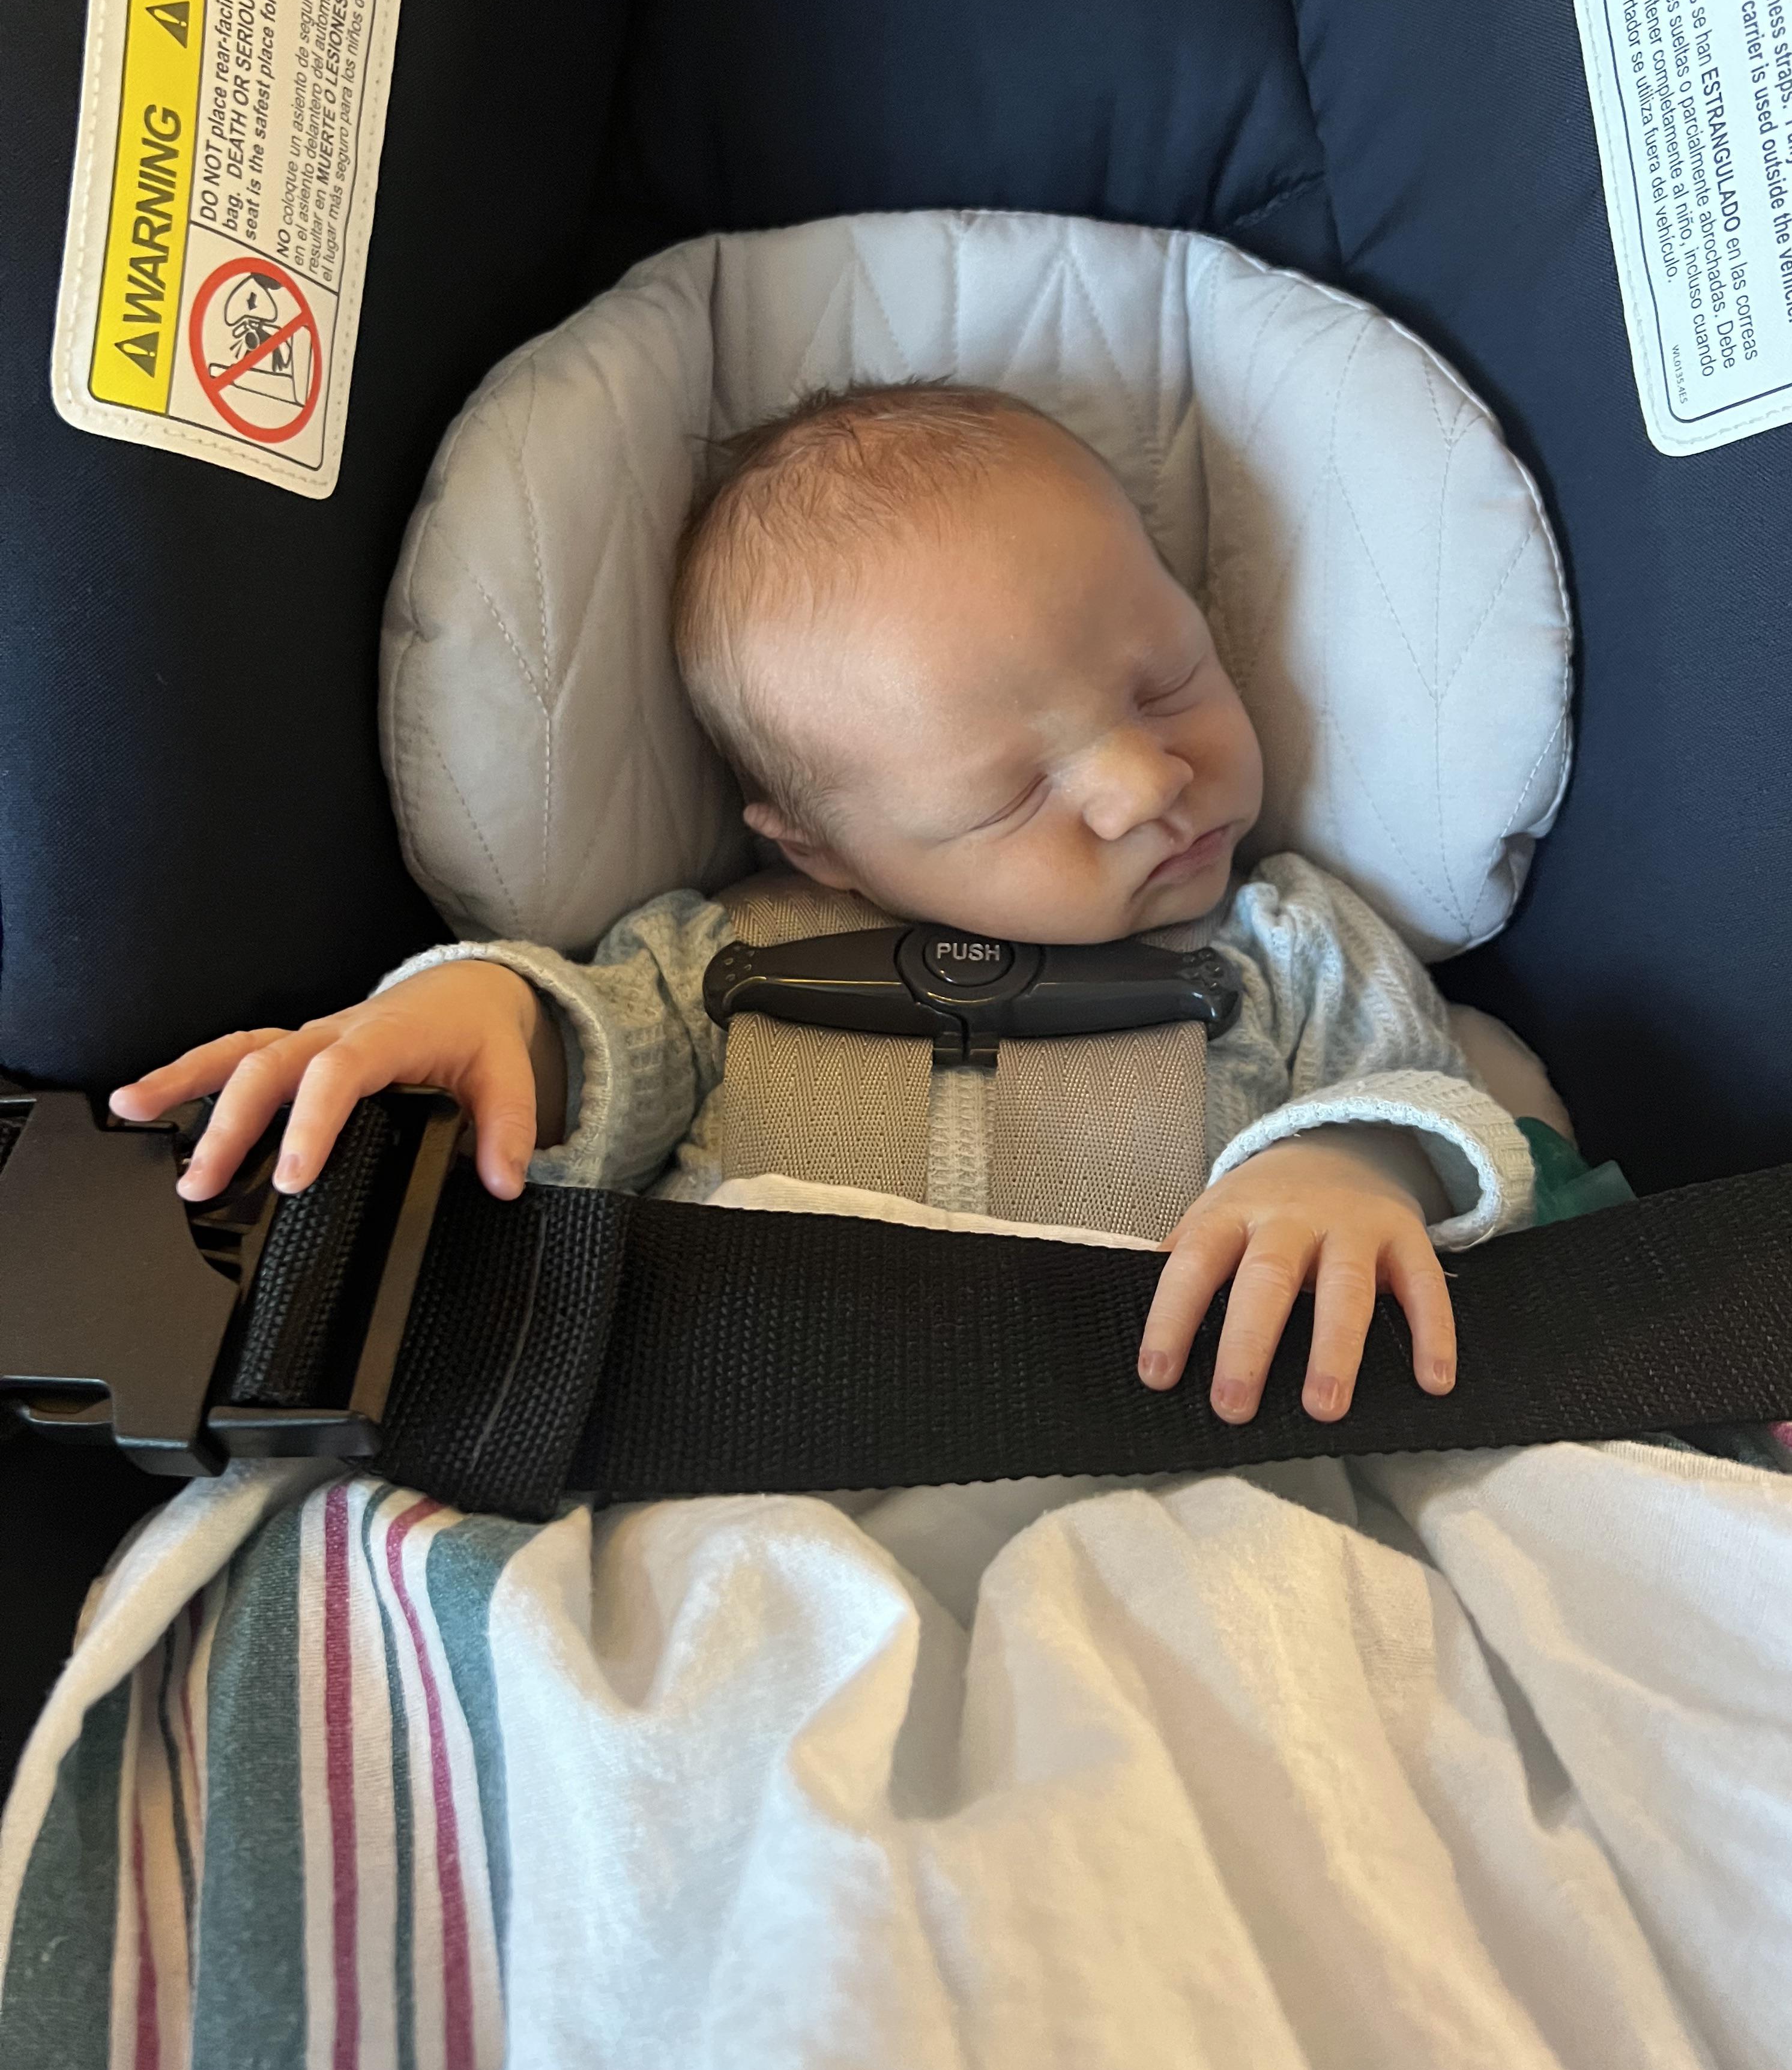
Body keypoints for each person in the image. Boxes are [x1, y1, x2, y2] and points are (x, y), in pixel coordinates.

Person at [110, 383, 1533, 1425]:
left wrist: (1350, 1168)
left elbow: (1421, 1089)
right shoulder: (721, 960)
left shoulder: (1286, 944)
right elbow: (590, 1054)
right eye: (1009, 795)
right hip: (738, 1452)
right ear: (826, 852)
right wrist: (482, 1007)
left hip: (1160, 1442)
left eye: (1168, 682)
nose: (1144, 782)